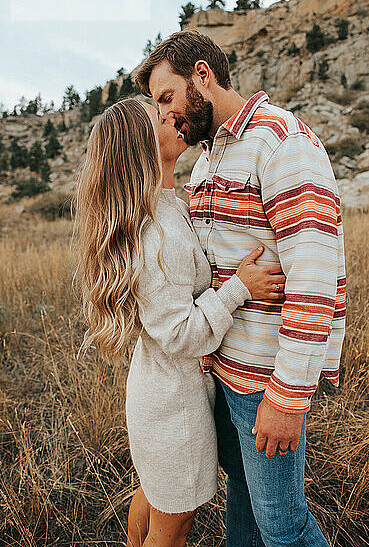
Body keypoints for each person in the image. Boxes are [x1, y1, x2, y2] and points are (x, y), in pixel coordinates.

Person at [135, 29, 346, 547]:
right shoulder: (207, 160)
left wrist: (287, 397)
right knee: (247, 512)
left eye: (168, 97)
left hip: (264, 381)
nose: (165, 115)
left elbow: (315, 276)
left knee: (283, 530)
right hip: (221, 374)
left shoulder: (280, 140)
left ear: (202, 77)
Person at [73, 96, 287, 546]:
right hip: (173, 407)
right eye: (161, 117)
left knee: (153, 496)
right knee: (174, 527)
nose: (175, 118)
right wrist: (239, 288)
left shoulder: (166, 206)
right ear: (141, 148)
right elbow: (179, 333)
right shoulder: (158, 233)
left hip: (161, 392)